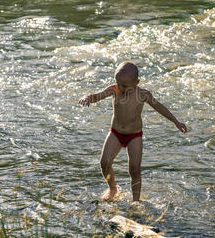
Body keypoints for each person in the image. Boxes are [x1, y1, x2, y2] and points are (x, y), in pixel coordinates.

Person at [78, 61, 188, 202]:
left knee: (134, 169)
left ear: (136, 82)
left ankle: (136, 200)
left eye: (125, 86)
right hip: (115, 133)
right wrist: (87, 97)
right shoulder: (114, 90)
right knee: (104, 162)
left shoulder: (143, 94)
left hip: (134, 136)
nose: (121, 88)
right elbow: (97, 95)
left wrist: (176, 122)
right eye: (118, 83)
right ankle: (112, 188)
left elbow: (160, 107)